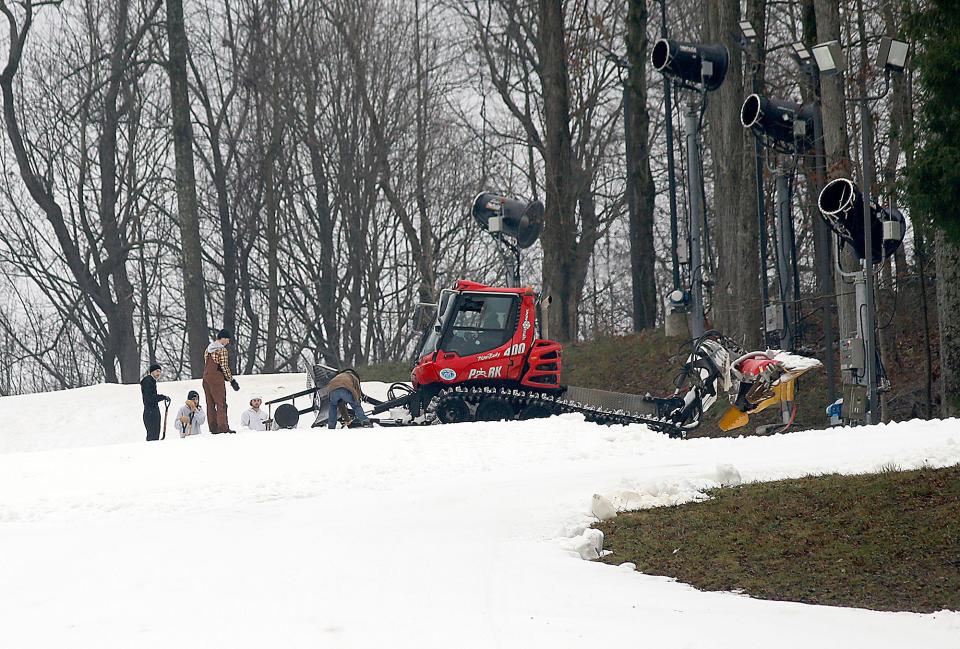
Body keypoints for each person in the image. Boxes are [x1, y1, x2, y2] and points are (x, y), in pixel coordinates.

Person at [203, 328, 239, 434]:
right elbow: (224, 366)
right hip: (216, 379)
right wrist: (231, 380)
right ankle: (223, 428)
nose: (228, 342)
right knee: (221, 403)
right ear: (222, 338)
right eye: (227, 339)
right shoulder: (221, 350)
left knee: (210, 404)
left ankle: (213, 428)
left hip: (206, 378)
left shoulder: (208, 349)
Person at [140, 363, 170, 442]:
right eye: (157, 371)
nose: (159, 373)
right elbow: (149, 398)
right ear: (152, 371)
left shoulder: (151, 381)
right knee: (153, 437)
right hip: (150, 413)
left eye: (160, 372)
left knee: (154, 436)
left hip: (152, 411)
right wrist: (162, 397)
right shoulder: (148, 381)